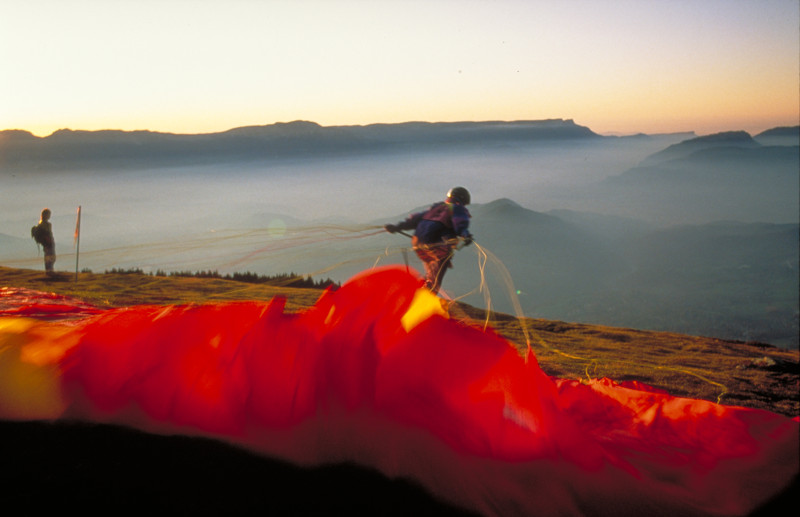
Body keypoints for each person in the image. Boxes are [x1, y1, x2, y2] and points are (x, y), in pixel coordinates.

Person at [384, 187, 473, 294]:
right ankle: (428, 293)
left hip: (418, 244)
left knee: (431, 268)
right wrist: (466, 235)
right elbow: (460, 224)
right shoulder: (457, 208)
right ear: (462, 200)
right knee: (440, 266)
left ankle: (420, 287)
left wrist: (396, 227)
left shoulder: (434, 209)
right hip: (436, 243)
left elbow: (414, 220)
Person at [32, 208, 56, 275]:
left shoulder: (40, 224)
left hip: (46, 244)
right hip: (49, 243)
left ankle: (49, 271)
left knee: (48, 258)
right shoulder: (46, 224)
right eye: (49, 214)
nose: (49, 216)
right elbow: (48, 234)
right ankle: (50, 272)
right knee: (51, 258)